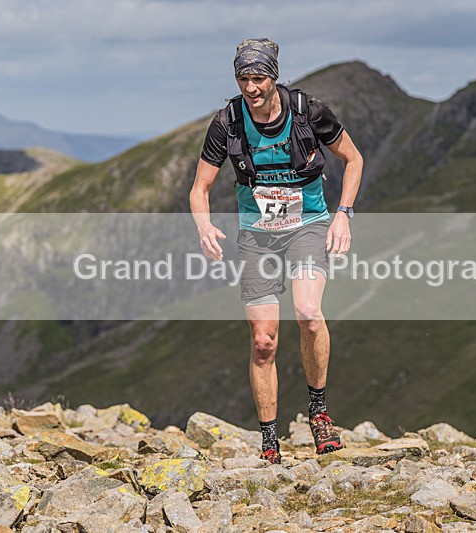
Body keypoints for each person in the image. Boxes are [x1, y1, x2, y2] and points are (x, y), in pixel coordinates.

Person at [190, 38, 363, 464]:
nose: (251, 87)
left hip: (307, 224)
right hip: (257, 234)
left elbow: (354, 159)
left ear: (274, 76)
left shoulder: (307, 111)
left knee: (307, 313)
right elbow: (201, 188)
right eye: (243, 78)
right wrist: (204, 225)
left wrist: (343, 213)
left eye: (259, 77)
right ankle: (270, 440)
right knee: (264, 340)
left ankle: (319, 414)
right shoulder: (228, 121)